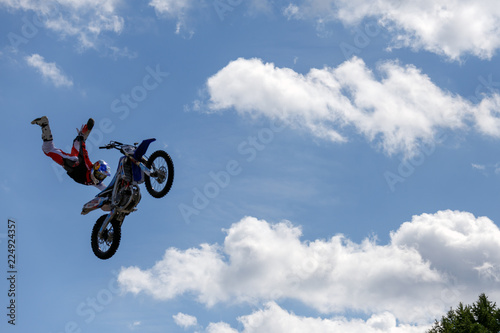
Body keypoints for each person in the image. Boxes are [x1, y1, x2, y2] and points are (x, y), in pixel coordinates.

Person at [31, 116, 111, 190]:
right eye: (99, 175)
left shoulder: (97, 182)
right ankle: (45, 124)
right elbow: (83, 151)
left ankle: (81, 137)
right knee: (48, 149)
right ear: (94, 170)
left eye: (102, 177)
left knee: (76, 146)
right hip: (73, 162)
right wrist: (81, 137)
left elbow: (106, 190)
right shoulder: (86, 164)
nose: (100, 178)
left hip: (75, 164)